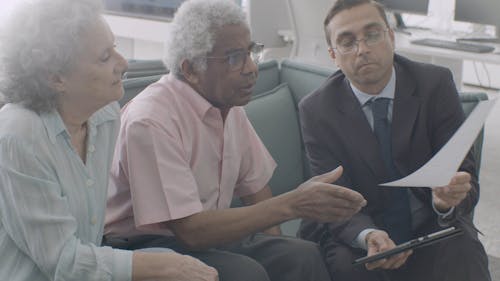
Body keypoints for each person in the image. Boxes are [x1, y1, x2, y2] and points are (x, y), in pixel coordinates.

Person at [104, 0, 367, 280]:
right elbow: (190, 230)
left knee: (302, 256)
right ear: (191, 69)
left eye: (251, 52)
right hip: (142, 246)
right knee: (246, 273)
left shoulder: (229, 105)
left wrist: (281, 246)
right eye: (234, 58)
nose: (251, 68)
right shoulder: (151, 121)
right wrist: (293, 204)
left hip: (206, 238)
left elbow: (255, 189)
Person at [0, 0, 218, 280]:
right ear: (55, 78)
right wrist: (162, 266)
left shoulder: (104, 114)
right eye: (105, 57)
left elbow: (89, 245)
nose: (123, 63)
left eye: (114, 48)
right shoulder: (18, 137)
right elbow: (63, 261)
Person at [297, 1, 492, 281]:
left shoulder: (434, 84)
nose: (362, 49)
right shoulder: (316, 110)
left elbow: (466, 177)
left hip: (429, 224)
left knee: (464, 252)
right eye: (347, 42)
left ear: (391, 37)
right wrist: (368, 235)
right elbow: (334, 199)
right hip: (363, 230)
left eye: (372, 34)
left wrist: (446, 200)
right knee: (346, 267)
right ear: (333, 55)